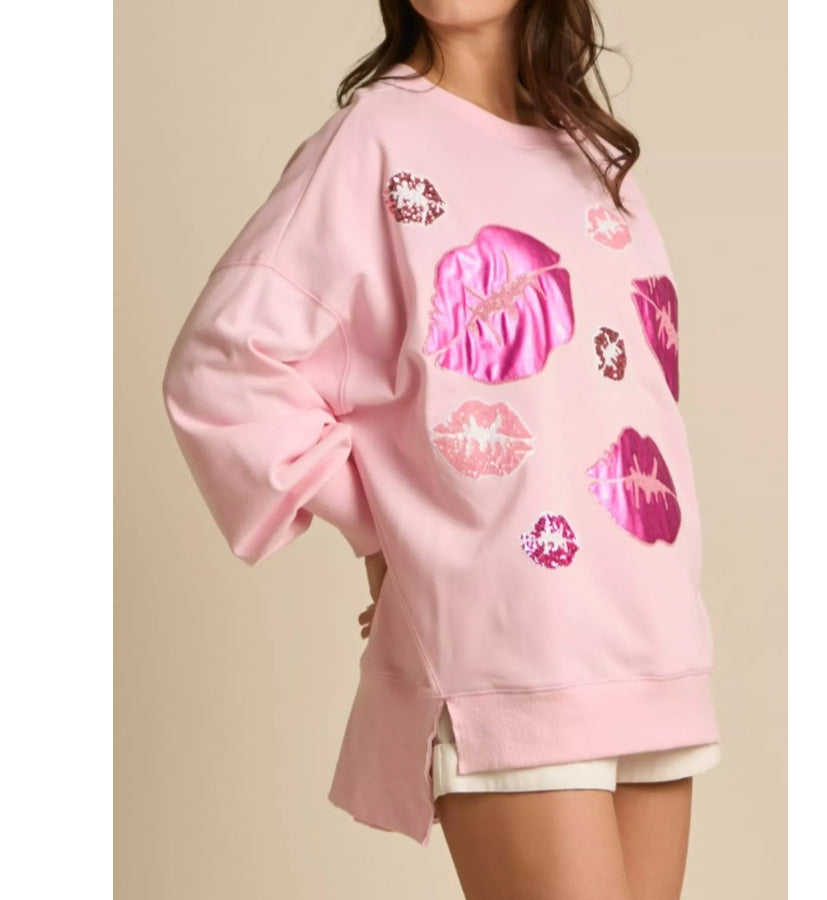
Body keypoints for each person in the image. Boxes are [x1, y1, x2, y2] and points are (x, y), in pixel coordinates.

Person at [162, 1, 722, 897]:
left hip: (651, 634)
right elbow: (223, 368)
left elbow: (626, 400)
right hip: (507, 646)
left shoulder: (594, 154)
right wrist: (381, 531)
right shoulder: (373, 143)